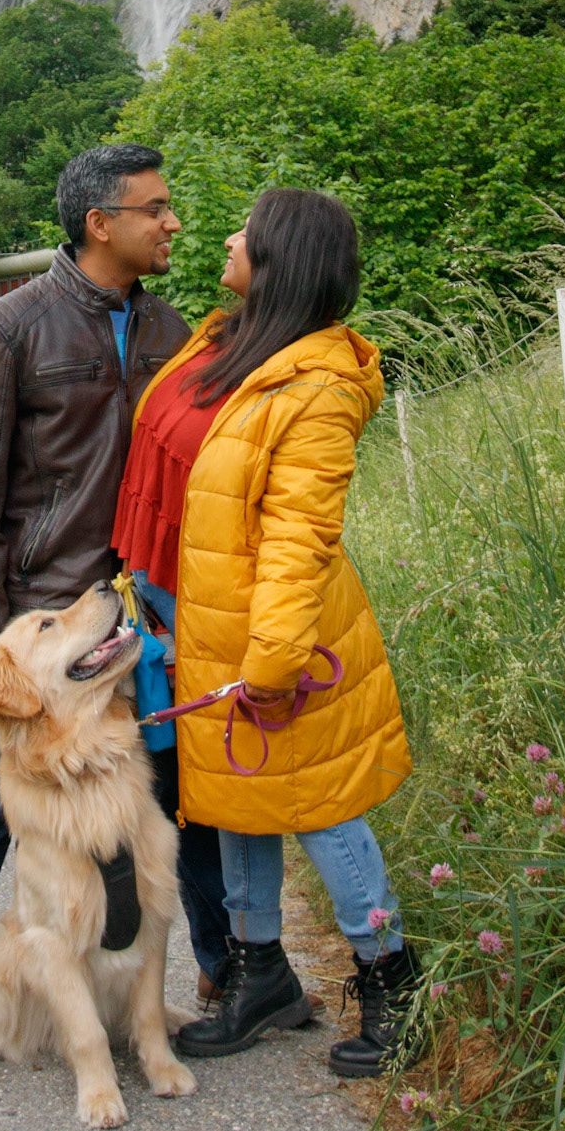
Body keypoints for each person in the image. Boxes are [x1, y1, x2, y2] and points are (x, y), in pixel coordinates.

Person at [0, 143, 231, 1085]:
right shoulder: (9, 329)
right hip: (45, 621)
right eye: (155, 209)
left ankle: (227, 965)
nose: (172, 222)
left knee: (178, 785)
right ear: (100, 223)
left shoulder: (170, 329)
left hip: (141, 607)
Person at [114, 188, 419, 1076]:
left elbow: (299, 536)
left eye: (246, 231)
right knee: (232, 796)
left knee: (323, 809)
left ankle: (395, 986)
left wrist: (276, 658)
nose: (227, 236)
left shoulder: (318, 386)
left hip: (274, 631)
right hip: (195, 613)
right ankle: (262, 977)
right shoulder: (228, 342)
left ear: (282, 259)